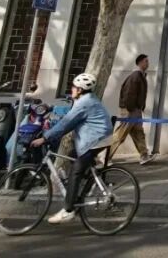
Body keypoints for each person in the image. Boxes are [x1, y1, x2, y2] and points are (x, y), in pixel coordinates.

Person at [30, 72, 113, 225]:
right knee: (72, 155)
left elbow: (66, 123)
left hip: (95, 139)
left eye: (73, 87)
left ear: (80, 90)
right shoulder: (88, 99)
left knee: (76, 171)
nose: (71, 90)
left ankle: (68, 210)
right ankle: (86, 185)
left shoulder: (83, 103)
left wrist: (45, 138)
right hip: (98, 138)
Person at [109, 54, 153, 165]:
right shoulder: (135, 76)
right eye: (146, 61)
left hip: (136, 110)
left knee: (139, 133)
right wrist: (130, 108)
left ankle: (144, 155)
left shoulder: (140, 76)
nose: (148, 63)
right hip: (130, 110)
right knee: (120, 135)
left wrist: (140, 108)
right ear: (140, 63)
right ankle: (105, 156)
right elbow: (129, 93)